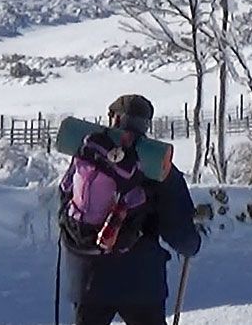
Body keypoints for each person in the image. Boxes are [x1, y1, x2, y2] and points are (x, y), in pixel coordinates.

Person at [59, 94, 202, 325]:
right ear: (145, 124)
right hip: (141, 281)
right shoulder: (158, 166)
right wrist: (192, 244)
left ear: (113, 119)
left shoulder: (89, 154)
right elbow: (179, 232)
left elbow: (66, 199)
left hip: (88, 278)